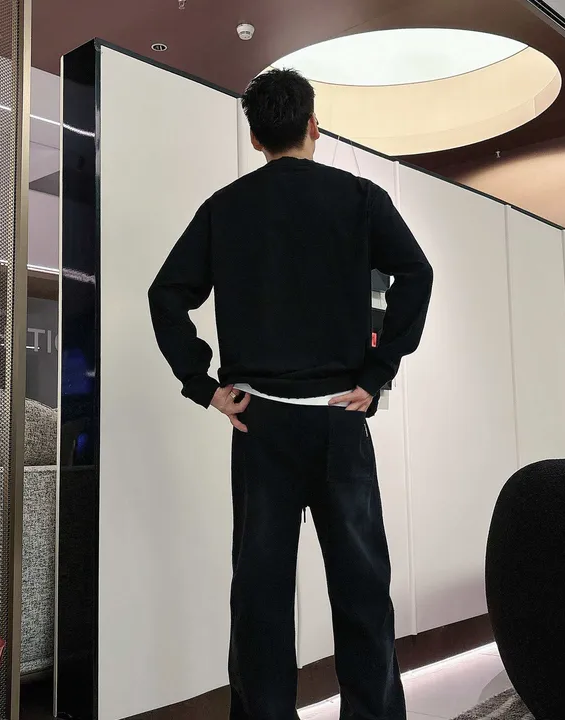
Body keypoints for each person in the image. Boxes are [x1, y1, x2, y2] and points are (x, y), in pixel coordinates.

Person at [148, 68, 433, 720]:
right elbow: (416, 272)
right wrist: (377, 372)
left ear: (255, 137)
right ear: (313, 127)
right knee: (363, 587)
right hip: (339, 420)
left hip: (261, 428)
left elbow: (167, 294)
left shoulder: (224, 207)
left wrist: (203, 385)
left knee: (260, 595)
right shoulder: (360, 197)